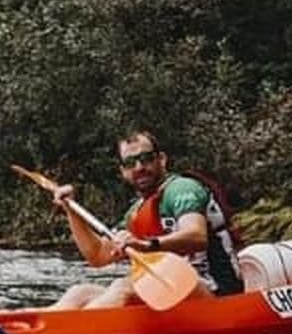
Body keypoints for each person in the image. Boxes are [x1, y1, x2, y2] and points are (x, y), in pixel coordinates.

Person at [51, 130, 243, 310]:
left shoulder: (182, 189)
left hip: (216, 291)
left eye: (146, 159)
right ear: (123, 171)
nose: (139, 168)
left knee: (125, 286)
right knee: (80, 293)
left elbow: (196, 236)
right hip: (169, 291)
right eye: (130, 163)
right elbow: (98, 255)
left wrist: (145, 245)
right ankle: (38, 333)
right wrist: (71, 210)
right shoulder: (136, 212)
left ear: (162, 160)